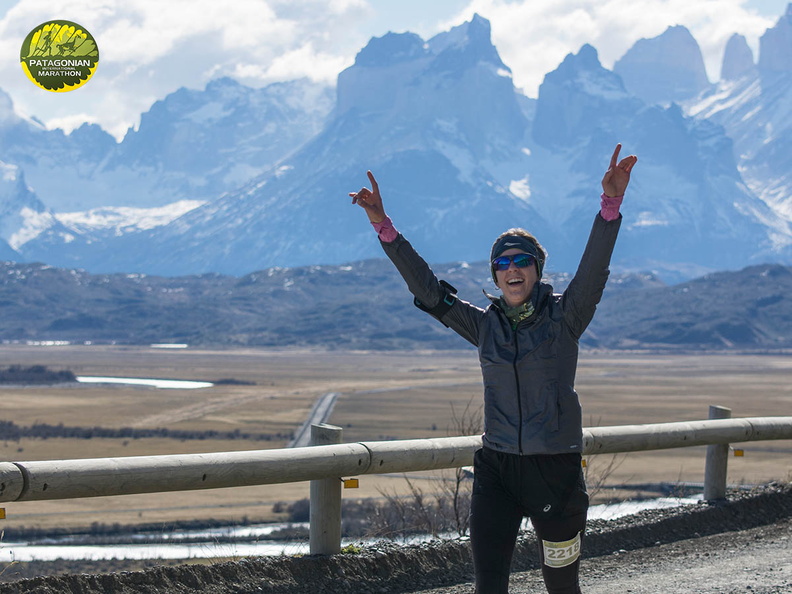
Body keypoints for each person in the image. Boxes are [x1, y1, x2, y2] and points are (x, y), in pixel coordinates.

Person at [349, 144, 637, 594]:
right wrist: (383, 226)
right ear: (496, 275)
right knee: (488, 584)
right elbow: (429, 292)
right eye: (503, 263)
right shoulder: (484, 326)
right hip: (497, 471)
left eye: (522, 260)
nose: (512, 268)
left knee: (562, 587)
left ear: (537, 270)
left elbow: (594, 270)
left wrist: (610, 205)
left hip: (554, 472)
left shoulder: (566, 318)